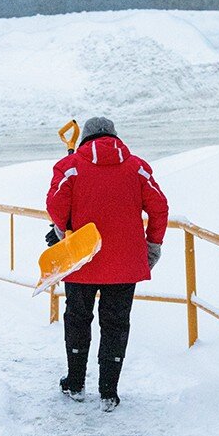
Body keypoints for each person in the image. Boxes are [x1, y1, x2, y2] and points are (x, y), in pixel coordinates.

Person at [45, 117, 169, 412]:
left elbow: (55, 204)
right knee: (115, 323)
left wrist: (65, 233)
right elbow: (159, 207)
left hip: (82, 258)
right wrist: (153, 244)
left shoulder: (71, 166)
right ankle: (109, 391)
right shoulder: (137, 166)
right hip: (125, 262)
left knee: (77, 318)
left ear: (85, 139)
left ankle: (75, 383)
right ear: (115, 137)